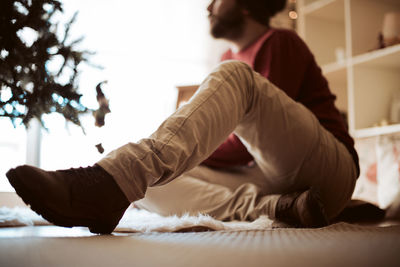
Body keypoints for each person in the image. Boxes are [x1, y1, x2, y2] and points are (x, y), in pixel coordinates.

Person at [6, 0, 359, 234]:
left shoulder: (280, 42)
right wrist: (178, 150)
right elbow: (235, 152)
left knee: (232, 76)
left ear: (247, 5)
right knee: (146, 187)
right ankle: (278, 209)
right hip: (276, 185)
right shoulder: (225, 55)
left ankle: (108, 182)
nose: (209, 6)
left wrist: (184, 147)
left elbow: (242, 149)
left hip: (329, 170)